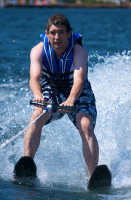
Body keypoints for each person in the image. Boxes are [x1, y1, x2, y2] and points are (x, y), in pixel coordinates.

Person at [20, 14, 99, 179]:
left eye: (61, 32)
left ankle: (93, 177)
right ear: (47, 33)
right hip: (51, 88)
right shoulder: (38, 51)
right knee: (37, 115)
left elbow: (79, 80)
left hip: (77, 90)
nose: (57, 37)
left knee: (85, 124)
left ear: (69, 33)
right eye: (53, 32)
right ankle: (27, 165)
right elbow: (34, 78)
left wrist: (71, 99)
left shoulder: (79, 52)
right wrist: (38, 96)